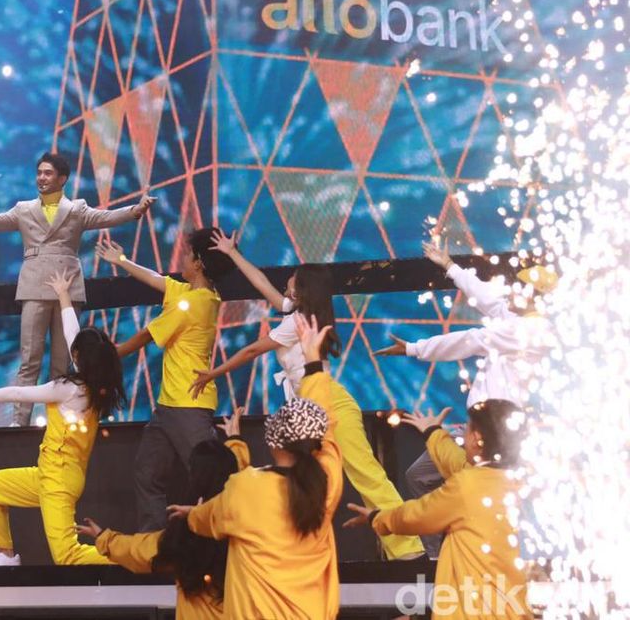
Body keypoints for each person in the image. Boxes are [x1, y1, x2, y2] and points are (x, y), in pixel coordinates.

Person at [188, 229, 424, 560]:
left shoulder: (297, 321)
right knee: (302, 482)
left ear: (302, 290)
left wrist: (214, 372)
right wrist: (231, 253)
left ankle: (410, 552)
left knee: (367, 475)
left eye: (293, 278)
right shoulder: (297, 313)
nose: (287, 279)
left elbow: (253, 350)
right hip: (309, 409)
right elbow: (263, 286)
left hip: (330, 404)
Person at [0, 152, 154, 426]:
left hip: (66, 286)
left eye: (48, 173)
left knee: (64, 360)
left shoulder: (77, 209)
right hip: (35, 284)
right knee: (29, 358)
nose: (41, 178)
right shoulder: (24, 209)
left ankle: (57, 421)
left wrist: (135, 211)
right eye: (39, 173)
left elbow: (106, 217)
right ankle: (19, 421)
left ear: (62, 178)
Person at [376, 239, 555, 556]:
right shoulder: (518, 318)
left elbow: (471, 339)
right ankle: (442, 554)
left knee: (442, 483)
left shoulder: (530, 330)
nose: (511, 291)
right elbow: (490, 300)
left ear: (534, 298)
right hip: (481, 427)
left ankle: (449, 554)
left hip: (498, 434)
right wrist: (450, 266)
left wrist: (413, 348)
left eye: (519, 288)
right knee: (422, 478)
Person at [0, 270, 126, 567]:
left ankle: (132, 558)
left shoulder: (68, 389)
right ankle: (4, 556)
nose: (72, 353)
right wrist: (63, 295)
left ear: (81, 358)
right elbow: (73, 337)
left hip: (59, 480)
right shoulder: (94, 384)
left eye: (76, 353)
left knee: (68, 555)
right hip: (47, 473)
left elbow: (19, 392)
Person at [171, 314, 343, 620]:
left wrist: (191, 514)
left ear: (273, 442)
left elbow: (208, 518)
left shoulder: (246, 487)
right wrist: (314, 363)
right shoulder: (326, 481)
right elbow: (325, 425)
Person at [96, 228, 235, 531]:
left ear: (198, 263)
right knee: (147, 473)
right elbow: (159, 281)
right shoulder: (192, 294)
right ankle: (156, 545)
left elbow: (148, 334)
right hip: (168, 406)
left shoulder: (196, 303)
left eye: (187, 254)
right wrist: (121, 260)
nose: (182, 259)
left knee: (209, 477)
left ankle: (220, 543)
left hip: (189, 405)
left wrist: (111, 354)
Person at [344, 400, 529, 619]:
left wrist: (377, 517)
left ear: (477, 439)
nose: (463, 437)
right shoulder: (517, 482)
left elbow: (417, 515)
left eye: (467, 429)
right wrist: (433, 432)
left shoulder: (467, 485)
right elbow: (455, 461)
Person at [75, 409, 247, 620]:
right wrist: (235, 442)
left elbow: (140, 550)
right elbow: (238, 479)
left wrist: (103, 537)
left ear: (194, 479)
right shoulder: (246, 522)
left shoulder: (186, 535)